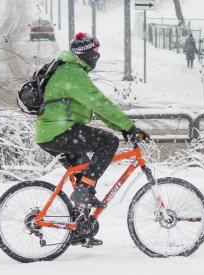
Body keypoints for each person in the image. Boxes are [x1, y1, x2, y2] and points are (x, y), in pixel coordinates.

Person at [36, 32, 147, 210]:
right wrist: (128, 126)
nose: (98, 54)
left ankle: (80, 230)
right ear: (86, 53)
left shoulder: (70, 70)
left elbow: (96, 108)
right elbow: (99, 103)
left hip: (53, 134)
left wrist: (123, 127)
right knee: (108, 142)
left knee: (85, 177)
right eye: (95, 50)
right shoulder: (71, 73)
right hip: (58, 133)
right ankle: (84, 191)